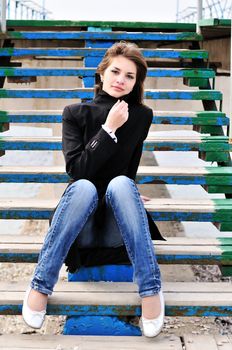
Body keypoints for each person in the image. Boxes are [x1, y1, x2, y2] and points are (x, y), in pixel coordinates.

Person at [22, 41, 165, 337]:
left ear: (136, 82)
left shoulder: (141, 116)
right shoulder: (74, 113)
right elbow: (77, 170)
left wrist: (129, 192)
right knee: (84, 187)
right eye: (115, 71)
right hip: (81, 224)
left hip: (115, 224)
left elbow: (129, 169)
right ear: (101, 73)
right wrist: (108, 130)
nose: (120, 80)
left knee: (123, 183)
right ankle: (40, 284)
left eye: (129, 76)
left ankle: (150, 289)